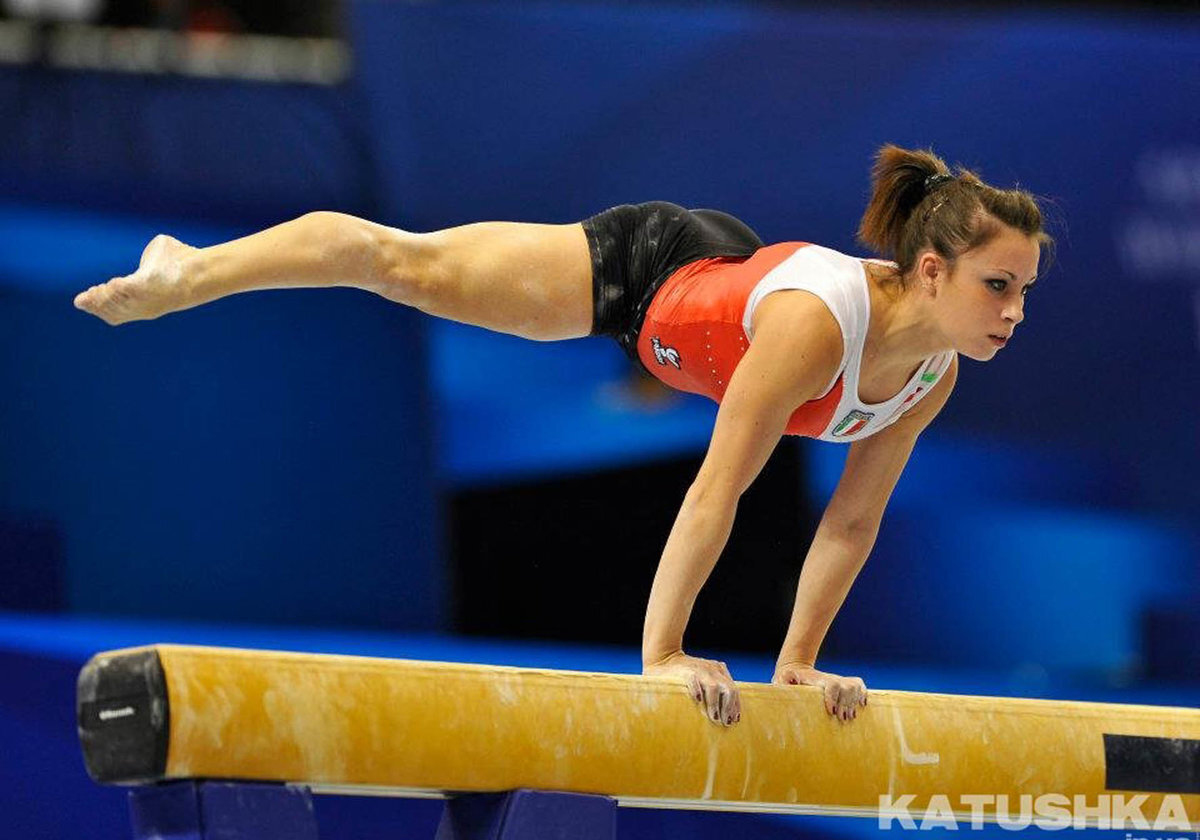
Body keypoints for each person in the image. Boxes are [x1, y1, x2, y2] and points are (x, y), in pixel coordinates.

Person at [74, 144, 1052, 729]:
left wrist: (795, 663)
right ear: (929, 272)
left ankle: (192, 270)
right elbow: (718, 488)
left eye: (1024, 292)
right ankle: (187, 272)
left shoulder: (931, 375)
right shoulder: (816, 325)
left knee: (409, 270)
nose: (1012, 312)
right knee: (399, 265)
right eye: (996, 286)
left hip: (724, 296)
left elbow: (849, 524)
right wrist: (663, 654)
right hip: (656, 272)